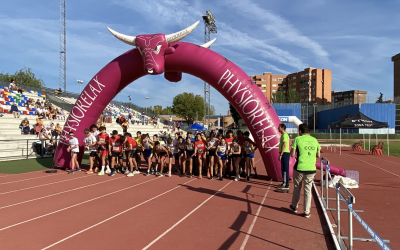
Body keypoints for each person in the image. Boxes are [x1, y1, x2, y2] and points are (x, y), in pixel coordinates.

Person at [289, 124, 321, 218]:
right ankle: (306, 211)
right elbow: (318, 155)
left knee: (297, 187)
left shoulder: (297, 139)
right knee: (307, 190)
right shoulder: (314, 140)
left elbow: (292, 154)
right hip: (311, 168)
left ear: (300, 131)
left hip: (299, 167)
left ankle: (294, 206)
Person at [277, 124, 291, 191]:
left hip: (285, 153)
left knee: (285, 169)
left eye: (279, 127)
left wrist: (281, 154)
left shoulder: (285, 135)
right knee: (283, 169)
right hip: (284, 153)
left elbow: (284, 145)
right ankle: (284, 182)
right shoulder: (283, 135)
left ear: (282, 128)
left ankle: (286, 184)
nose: (278, 128)